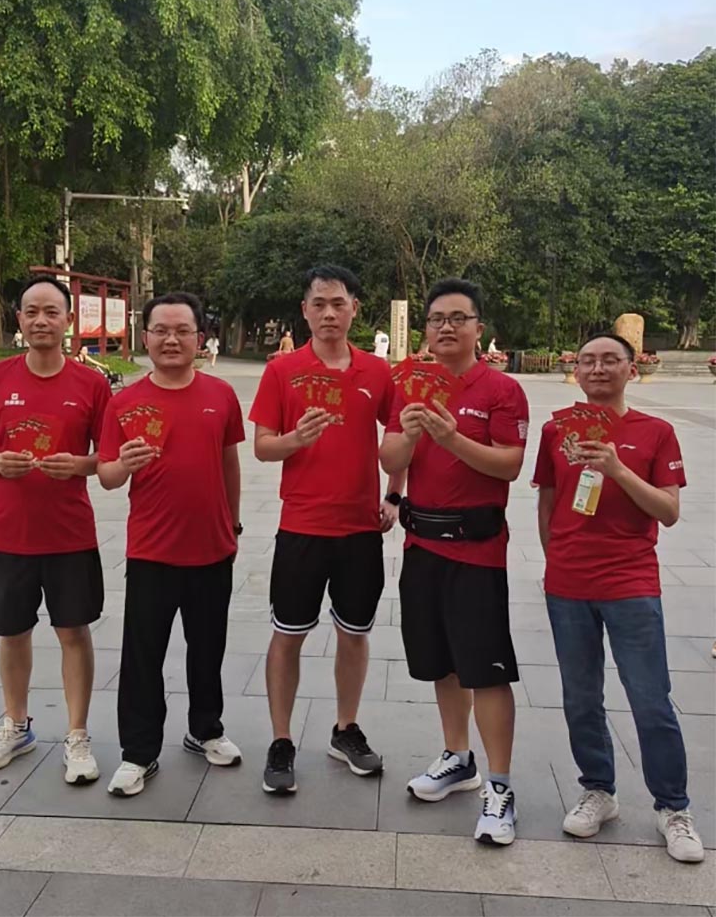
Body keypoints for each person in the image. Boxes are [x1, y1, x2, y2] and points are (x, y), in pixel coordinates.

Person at [533, 333, 704, 863]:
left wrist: (617, 469)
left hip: (631, 583)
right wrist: (555, 560)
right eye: (588, 360)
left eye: (611, 360)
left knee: (650, 698)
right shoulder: (557, 430)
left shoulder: (656, 432)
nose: (598, 368)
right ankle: (598, 791)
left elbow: (668, 511)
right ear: (576, 370)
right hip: (568, 585)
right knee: (580, 697)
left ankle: (673, 807)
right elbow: (548, 502)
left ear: (632, 369)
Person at [380, 277, 528, 846]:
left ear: (478, 328)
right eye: (437, 318)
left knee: (485, 669)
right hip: (422, 546)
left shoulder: (500, 389)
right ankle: (457, 757)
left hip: (477, 551)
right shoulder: (412, 386)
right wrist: (411, 433)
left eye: (458, 318)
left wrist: (452, 437)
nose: (446, 327)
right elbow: (389, 456)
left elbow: (509, 464)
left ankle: (499, 785)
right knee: (441, 663)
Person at [250, 264, 403, 795]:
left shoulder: (377, 372)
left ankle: (345, 728)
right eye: (319, 304)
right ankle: (281, 739)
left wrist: (394, 494)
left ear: (355, 309)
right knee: (288, 634)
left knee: (354, 632)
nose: (329, 313)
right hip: (302, 525)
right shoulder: (282, 371)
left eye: (338, 303)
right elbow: (262, 446)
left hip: (360, 527)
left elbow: (399, 435)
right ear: (305, 310)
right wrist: (296, 438)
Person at [0, 274, 110, 784]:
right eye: (32, 311)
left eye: (51, 311)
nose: (41, 320)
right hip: (8, 535)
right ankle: (17, 725)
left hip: (70, 535)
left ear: (69, 320)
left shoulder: (92, 384)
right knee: (12, 633)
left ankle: (77, 735)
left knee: (74, 632)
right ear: (19, 319)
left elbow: (107, 459)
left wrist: (79, 465)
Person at [98, 291, 244, 797]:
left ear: (200, 339)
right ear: (146, 337)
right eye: (161, 330)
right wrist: (125, 464)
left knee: (208, 648)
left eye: (183, 330)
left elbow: (229, 462)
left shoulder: (221, 395)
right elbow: (107, 476)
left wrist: (234, 526)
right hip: (151, 552)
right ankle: (138, 752)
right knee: (143, 656)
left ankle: (205, 729)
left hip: (212, 549)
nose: (171, 339)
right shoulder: (124, 402)